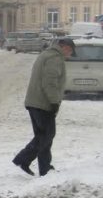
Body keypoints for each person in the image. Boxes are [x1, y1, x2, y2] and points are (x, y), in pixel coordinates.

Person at [12, 37, 75, 177]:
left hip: (35, 101)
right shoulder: (55, 58)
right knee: (47, 135)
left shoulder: (46, 54)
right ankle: (23, 159)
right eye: (70, 51)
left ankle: (45, 168)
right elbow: (50, 82)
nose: (69, 54)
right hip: (43, 103)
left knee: (43, 136)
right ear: (65, 47)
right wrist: (53, 101)